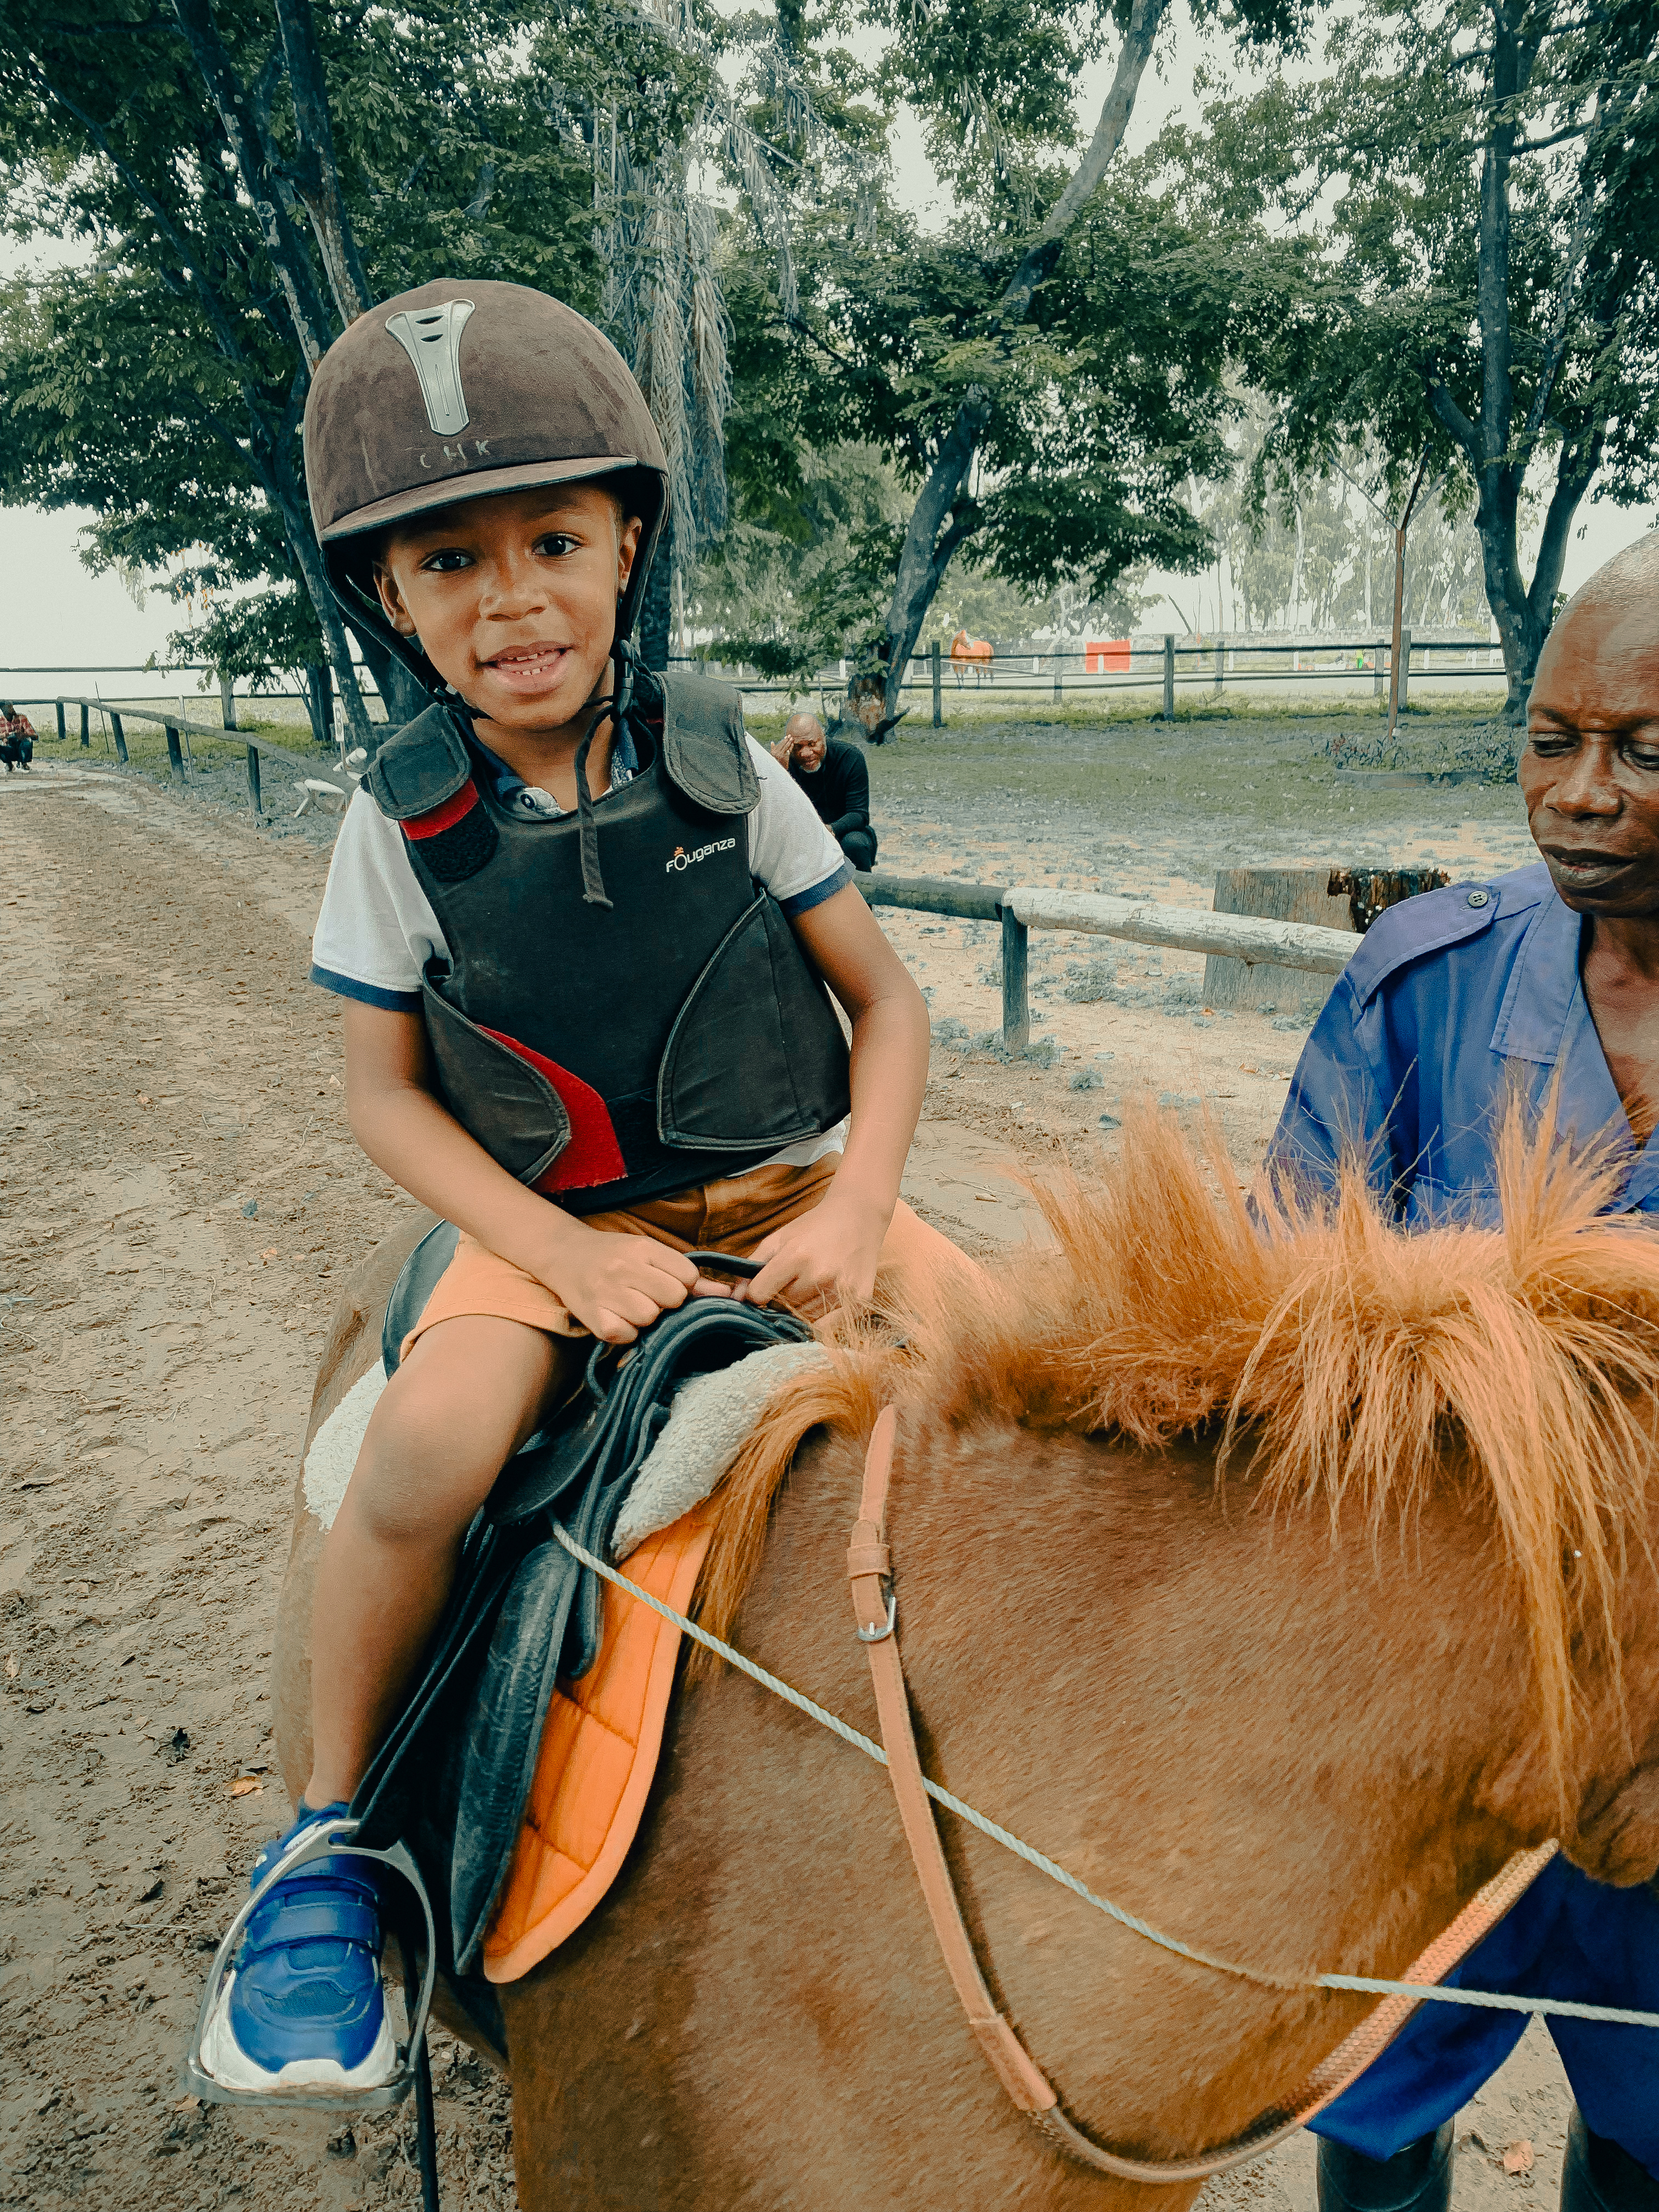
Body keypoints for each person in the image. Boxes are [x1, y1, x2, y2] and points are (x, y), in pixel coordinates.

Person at [199, 279, 971, 2095]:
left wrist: (858, 1209)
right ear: (389, 599)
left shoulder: (729, 767)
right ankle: (329, 1850)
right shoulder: (393, 827)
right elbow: (385, 1095)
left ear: (626, 541)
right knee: (419, 1459)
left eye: (551, 538)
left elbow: (890, 1007)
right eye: (448, 562)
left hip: (786, 1183)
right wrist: (550, 1246)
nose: (510, 594)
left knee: (1057, 1393)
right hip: (554, 1230)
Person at [1268, 535, 1659, 2212]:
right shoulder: (1428, 981)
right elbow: (1284, 1316)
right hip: (1429, 1700)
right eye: (1549, 737)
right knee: (1373, 2096)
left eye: (1647, 750)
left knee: (1648, 2122)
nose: (1580, 794)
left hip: (1653, 1710)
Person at [771, 710, 877, 871]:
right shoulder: (783, 763)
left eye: (812, 744)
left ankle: (865, 891)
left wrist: (829, 830)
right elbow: (775, 814)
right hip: (801, 835)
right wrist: (776, 771)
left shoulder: (850, 757)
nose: (806, 753)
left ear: (824, 737)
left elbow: (859, 815)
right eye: (798, 747)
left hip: (844, 831)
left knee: (855, 843)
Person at [1, 703, 36, 771]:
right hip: (9, 745)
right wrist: (6, 736)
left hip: (20, 744)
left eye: (9, 708)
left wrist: (23, 735)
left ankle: (24, 763)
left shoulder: (21, 718)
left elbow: (33, 734)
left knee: (28, 740)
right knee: (2, 744)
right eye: (4, 708)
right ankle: (9, 764)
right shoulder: (1, 720)